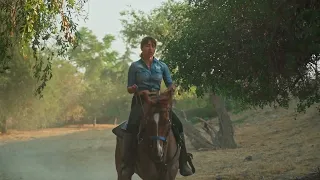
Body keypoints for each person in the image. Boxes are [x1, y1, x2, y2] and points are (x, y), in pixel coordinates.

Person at [121, 36, 194, 178]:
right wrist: (136, 89)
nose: (150, 48)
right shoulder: (135, 66)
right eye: (147, 46)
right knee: (131, 126)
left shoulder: (161, 66)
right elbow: (129, 88)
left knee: (177, 124)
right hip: (141, 102)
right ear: (141, 48)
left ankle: (183, 161)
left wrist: (171, 89)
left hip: (159, 101)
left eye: (153, 46)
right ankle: (128, 164)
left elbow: (169, 83)